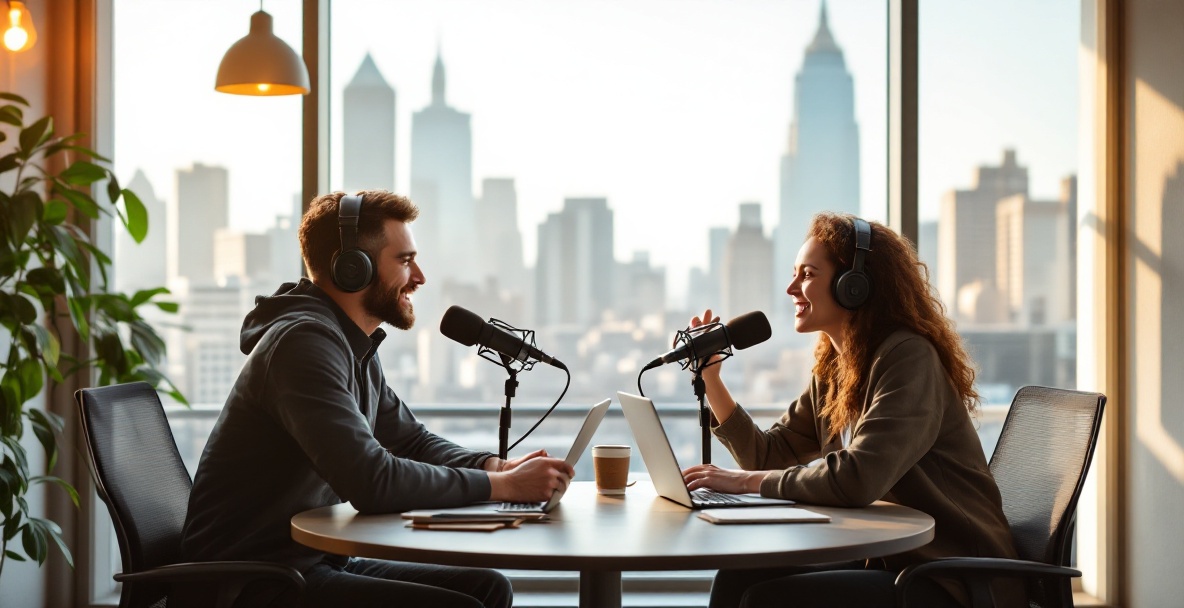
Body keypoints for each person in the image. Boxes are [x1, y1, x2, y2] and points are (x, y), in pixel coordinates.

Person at [179, 190, 573, 608]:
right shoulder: (303, 345)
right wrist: (502, 487)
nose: (419, 277)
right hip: (252, 583)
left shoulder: (352, 345)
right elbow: (373, 481)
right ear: (354, 269)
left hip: (306, 563)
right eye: (404, 261)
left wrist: (494, 466)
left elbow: (410, 441)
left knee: (486, 587)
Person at [681, 212, 1022, 608]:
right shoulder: (836, 368)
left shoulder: (909, 358)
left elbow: (858, 478)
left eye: (807, 274)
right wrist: (713, 381)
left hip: (952, 577)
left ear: (854, 286)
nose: (792, 287)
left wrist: (740, 483)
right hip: (890, 562)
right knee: (742, 574)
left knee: (770, 600)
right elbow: (767, 455)